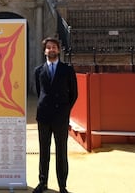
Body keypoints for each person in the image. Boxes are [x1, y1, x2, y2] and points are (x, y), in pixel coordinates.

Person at [33, 37, 78, 193]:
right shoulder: (38, 70)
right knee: (44, 151)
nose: (51, 50)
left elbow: (74, 94)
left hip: (60, 117)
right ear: (44, 51)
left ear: (58, 50)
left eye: (54, 47)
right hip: (44, 115)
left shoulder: (67, 70)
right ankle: (42, 182)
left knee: (61, 151)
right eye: (48, 47)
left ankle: (62, 185)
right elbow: (40, 92)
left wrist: (65, 111)